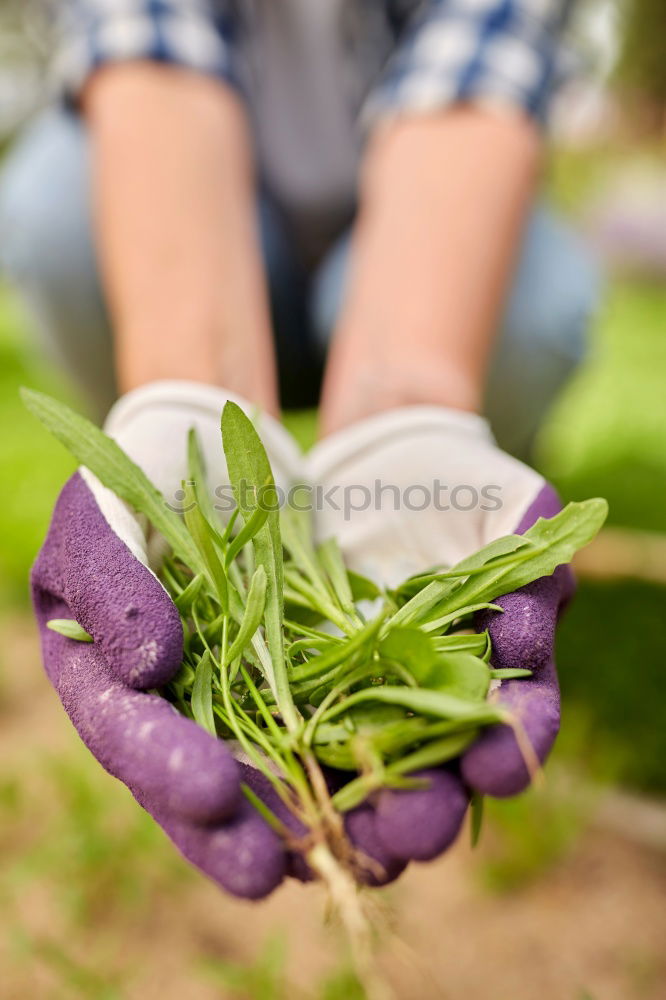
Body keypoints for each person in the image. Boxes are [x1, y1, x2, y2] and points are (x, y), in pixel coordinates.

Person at [2, 0, 596, 898]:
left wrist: (410, 412)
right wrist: (188, 397)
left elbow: (474, 80)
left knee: (543, 302)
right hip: (215, 203)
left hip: (406, 214)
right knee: (49, 211)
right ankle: (163, 518)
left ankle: (432, 474)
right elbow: (150, 49)